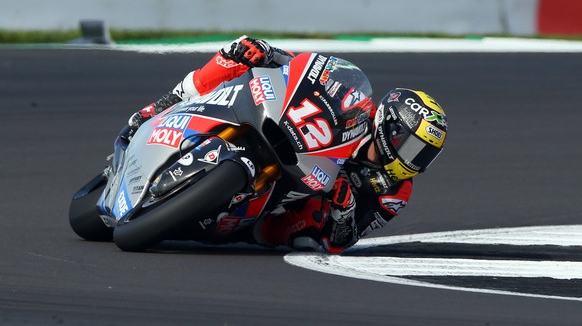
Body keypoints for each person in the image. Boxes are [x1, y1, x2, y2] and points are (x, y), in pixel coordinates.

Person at [126, 36, 448, 253]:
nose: (414, 161)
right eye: (412, 147)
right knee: (240, 50)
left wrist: (343, 211)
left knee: (309, 236)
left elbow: (342, 242)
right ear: (390, 127)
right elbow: (313, 74)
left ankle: (252, 226)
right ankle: (163, 105)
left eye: (424, 155)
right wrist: (272, 55)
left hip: (298, 199)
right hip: (293, 142)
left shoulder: (396, 191)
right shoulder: (360, 107)